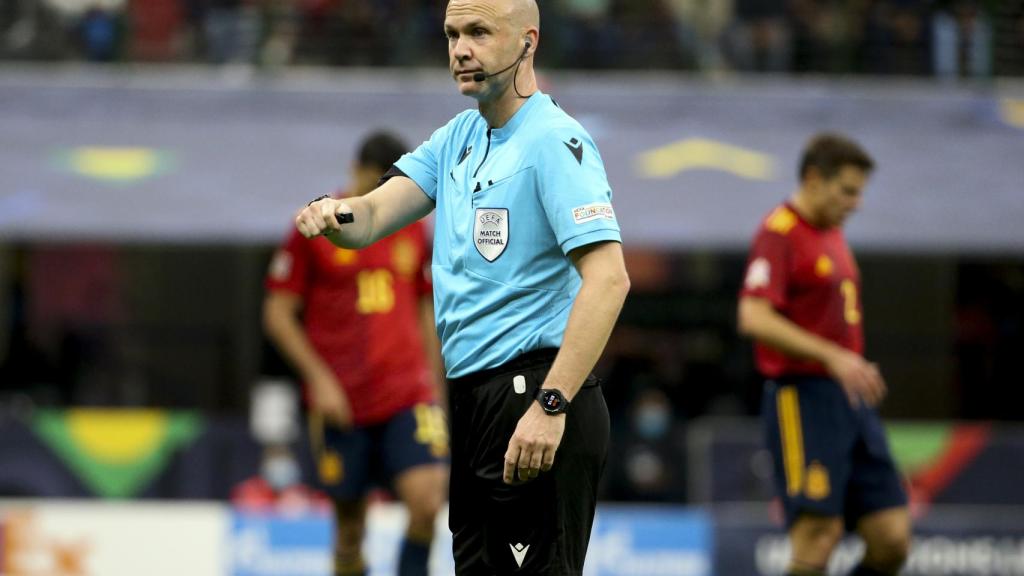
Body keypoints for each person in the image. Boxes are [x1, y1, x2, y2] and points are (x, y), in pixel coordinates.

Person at [294, 1, 630, 573]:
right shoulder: (459, 136)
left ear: (527, 42)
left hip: (534, 390)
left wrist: (552, 404)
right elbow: (372, 216)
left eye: (477, 32)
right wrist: (333, 213)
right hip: (474, 398)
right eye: (451, 35)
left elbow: (609, 279)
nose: (459, 50)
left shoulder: (554, 141)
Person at [264, 131, 448, 576]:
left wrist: (437, 389)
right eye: (375, 180)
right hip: (341, 402)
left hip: (407, 394)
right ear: (356, 171)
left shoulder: (411, 227)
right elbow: (278, 313)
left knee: (426, 502)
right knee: (349, 529)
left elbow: (424, 308)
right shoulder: (316, 225)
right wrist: (320, 381)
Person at [737, 133, 911, 576]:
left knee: (891, 537)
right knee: (818, 536)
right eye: (848, 191)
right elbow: (753, 317)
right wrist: (833, 356)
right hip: (803, 398)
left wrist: (845, 363)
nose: (856, 203)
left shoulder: (830, 233)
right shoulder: (780, 232)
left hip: (851, 401)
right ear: (814, 178)